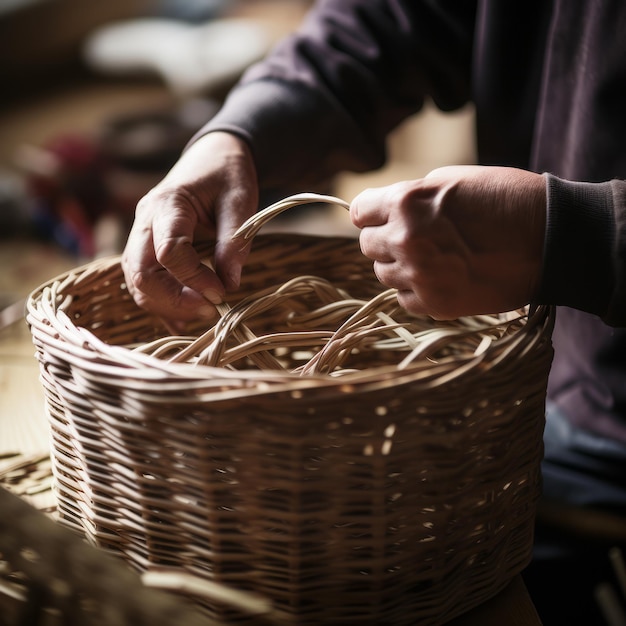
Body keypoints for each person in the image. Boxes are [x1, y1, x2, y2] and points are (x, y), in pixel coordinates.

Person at [121, 1, 626, 623]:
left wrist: (581, 236)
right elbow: (390, 17)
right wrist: (237, 136)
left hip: (571, 426)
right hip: (539, 395)